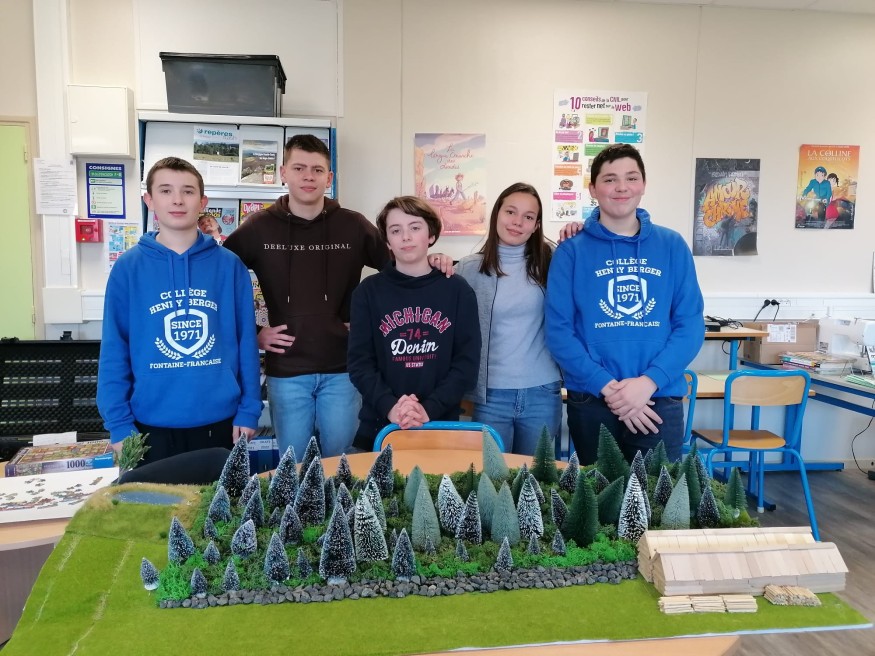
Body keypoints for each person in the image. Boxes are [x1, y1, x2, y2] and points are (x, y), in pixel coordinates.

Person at [224, 135, 452, 458]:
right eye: (299, 168)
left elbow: (400, 270)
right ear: (283, 172)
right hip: (287, 372)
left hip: (343, 370)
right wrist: (254, 333)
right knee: (293, 467)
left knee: (342, 464)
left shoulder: (352, 225)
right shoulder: (258, 227)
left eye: (317, 170)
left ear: (329, 178)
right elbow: (218, 279)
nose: (308, 176)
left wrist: (432, 259)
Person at [546, 144, 704, 465]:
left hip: (658, 396)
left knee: (658, 495)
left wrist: (647, 383)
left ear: (643, 185)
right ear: (593, 189)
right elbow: (558, 332)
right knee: (599, 496)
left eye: (631, 178)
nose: (621, 187)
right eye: (610, 179)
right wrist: (609, 388)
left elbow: (690, 325)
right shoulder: (570, 251)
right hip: (592, 397)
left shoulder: (672, 245)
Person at [97, 157, 262, 466]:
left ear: (203, 202)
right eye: (165, 190)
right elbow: (114, 350)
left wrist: (249, 409)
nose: (177, 200)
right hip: (147, 428)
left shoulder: (230, 266)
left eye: (187, 191)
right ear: (149, 200)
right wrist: (118, 424)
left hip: (222, 424)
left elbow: (246, 344)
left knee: (219, 500)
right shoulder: (128, 269)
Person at [347, 196, 480, 450]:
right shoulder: (367, 292)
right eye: (396, 230)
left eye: (415, 227)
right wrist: (391, 407)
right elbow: (360, 364)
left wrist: (427, 409)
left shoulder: (458, 291)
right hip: (379, 426)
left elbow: (466, 364)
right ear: (387, 241)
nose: (406, 237)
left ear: (431, 235)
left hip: (439, 425)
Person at [457, 183, 562, 455]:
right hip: (490, 395)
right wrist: (435, 261)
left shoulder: (552, 263)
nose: (517, 222)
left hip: (542, 392)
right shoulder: (469, 268)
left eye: (528, 216)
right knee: (492, 478)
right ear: (497, 214)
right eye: (511, 212)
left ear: (536, 225)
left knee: (537, 477)